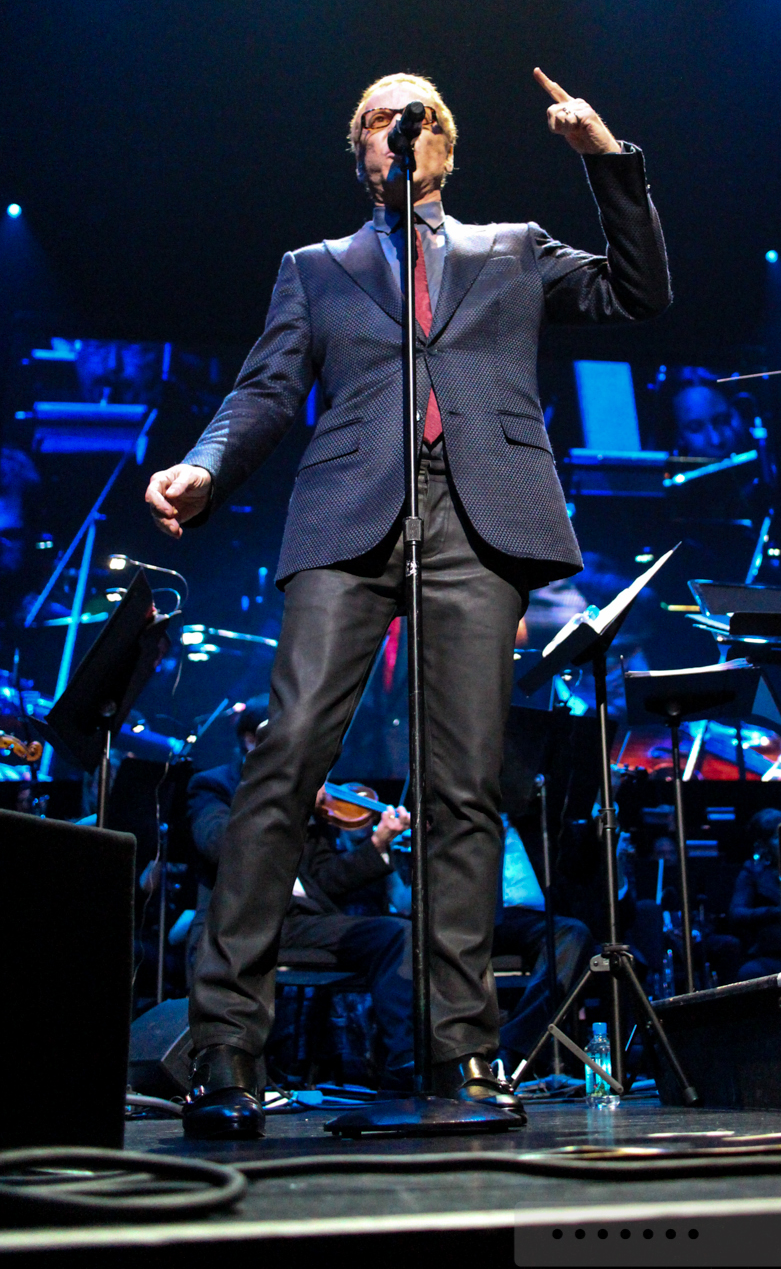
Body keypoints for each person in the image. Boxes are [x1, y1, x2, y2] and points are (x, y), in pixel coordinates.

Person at [145, 68, 670, 1136]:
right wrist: (204, 466)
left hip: (479, 518)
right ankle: (225, 1045)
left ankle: (458, 1047)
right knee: (286, 757)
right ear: (361, 153)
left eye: (417, 116)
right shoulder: (315, 268)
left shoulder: (512, 248)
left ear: (446, 147)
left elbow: (639, 290)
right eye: (379, 119)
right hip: (347, 518)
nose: (399, 128)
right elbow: (263, 389)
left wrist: (603, 158)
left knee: (461, 786)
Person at [186, 729, 415, 1090]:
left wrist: (377, 844)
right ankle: (236, 1081)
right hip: (242, 921)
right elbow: (219, 846)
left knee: (397, 933)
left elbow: (324, 880)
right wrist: (289, 802)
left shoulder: (311, 798)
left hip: (301, 922)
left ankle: (406, 1062)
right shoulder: (216, 785)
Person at [493, 814, 592, 1071]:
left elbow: (577, 873)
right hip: (477, 919)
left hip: (534, 918)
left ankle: (512, 1046)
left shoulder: (541, 824)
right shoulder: (466, 822)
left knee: (574, 932)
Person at [729, 809, 781, 981]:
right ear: (763, 844)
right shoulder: (753, 872)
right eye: (777, 838)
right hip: (772, 952)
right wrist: (775, 912)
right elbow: (737, 912)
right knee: (749, 973)